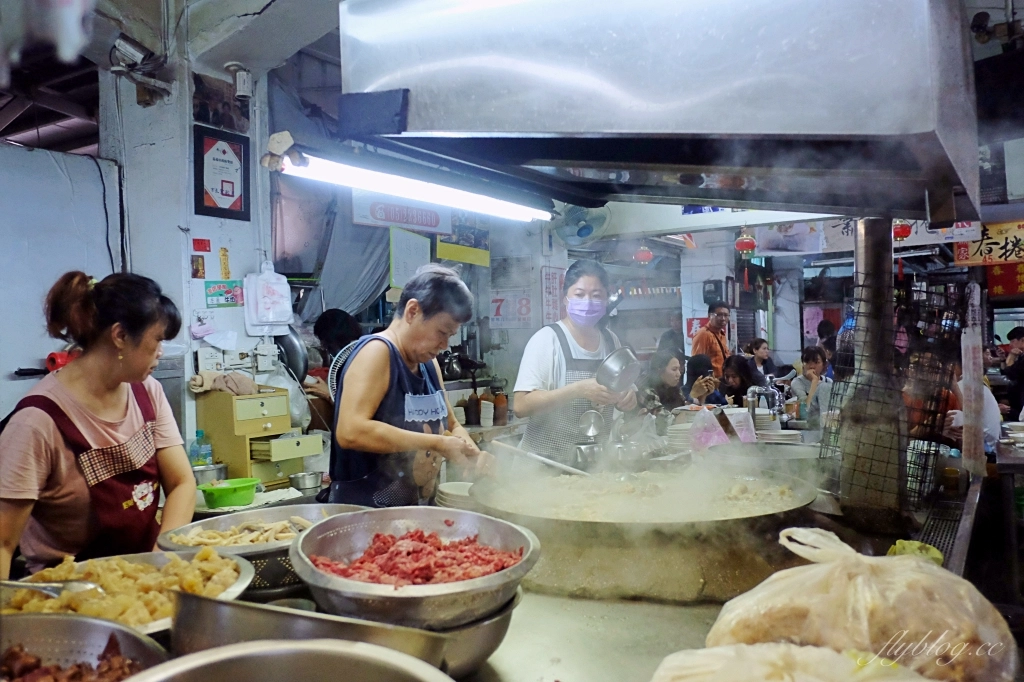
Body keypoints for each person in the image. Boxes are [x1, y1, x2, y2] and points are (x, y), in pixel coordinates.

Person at [0, 272, 194, 578]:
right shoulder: (37, 422)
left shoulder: (147, 391)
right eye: (157, 340)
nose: (161, 352)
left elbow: (182, 482)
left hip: (147, 578)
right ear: (119, 336)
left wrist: (160, 560)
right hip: (71, 595)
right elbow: (3, 543)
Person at [330, 266, 489, 507]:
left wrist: (471, 452)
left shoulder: (428, 363)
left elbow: (451, 424)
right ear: (413, 311)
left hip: (414, 513)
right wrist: (437, 443)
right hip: (365, 515)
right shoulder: (377, 352)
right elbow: (350, 431)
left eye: (451, 335)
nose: (445, 344)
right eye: (441, 332)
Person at [514, 259, 637, 465]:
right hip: (543, 466)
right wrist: (578, 389)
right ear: (565, 299)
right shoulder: (547, 339)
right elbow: (520, 406)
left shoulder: (611, 341)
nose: (588, 302)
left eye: (596, 295)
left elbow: (628, 394)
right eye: (579, 295)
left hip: (592, 465)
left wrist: (627, 398)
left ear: (607, 299)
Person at [305, 309, 364, 404]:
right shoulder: (344, 359)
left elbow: (358, 406)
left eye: (324, 340)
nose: (323, 346)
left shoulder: (362, 359)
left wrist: (328, 394)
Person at [791, 346, 834, 429]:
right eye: (807, 362)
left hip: (823, 425)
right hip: (805, 427)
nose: (812, 366)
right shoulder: (797, 382)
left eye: (816, 362)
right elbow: (806, 408)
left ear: (823, 364)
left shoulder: (828, 382)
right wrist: (814, 381)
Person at [690, 301, 731, 377]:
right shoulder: (703, 334)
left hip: (721, 381)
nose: (723, 318)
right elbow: (697, 363)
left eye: (726, 315)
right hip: (710, 383)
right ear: (709, 316)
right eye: (719, 315)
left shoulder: (721, 334)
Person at [1001, 327, 1024, 420]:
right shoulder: (1021, 356)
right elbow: (1005, 372)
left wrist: (1011, 357)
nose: (1010, 345)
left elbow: (1011, 373)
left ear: (1022, 340)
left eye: (1012, 341)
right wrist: (1004, 359)